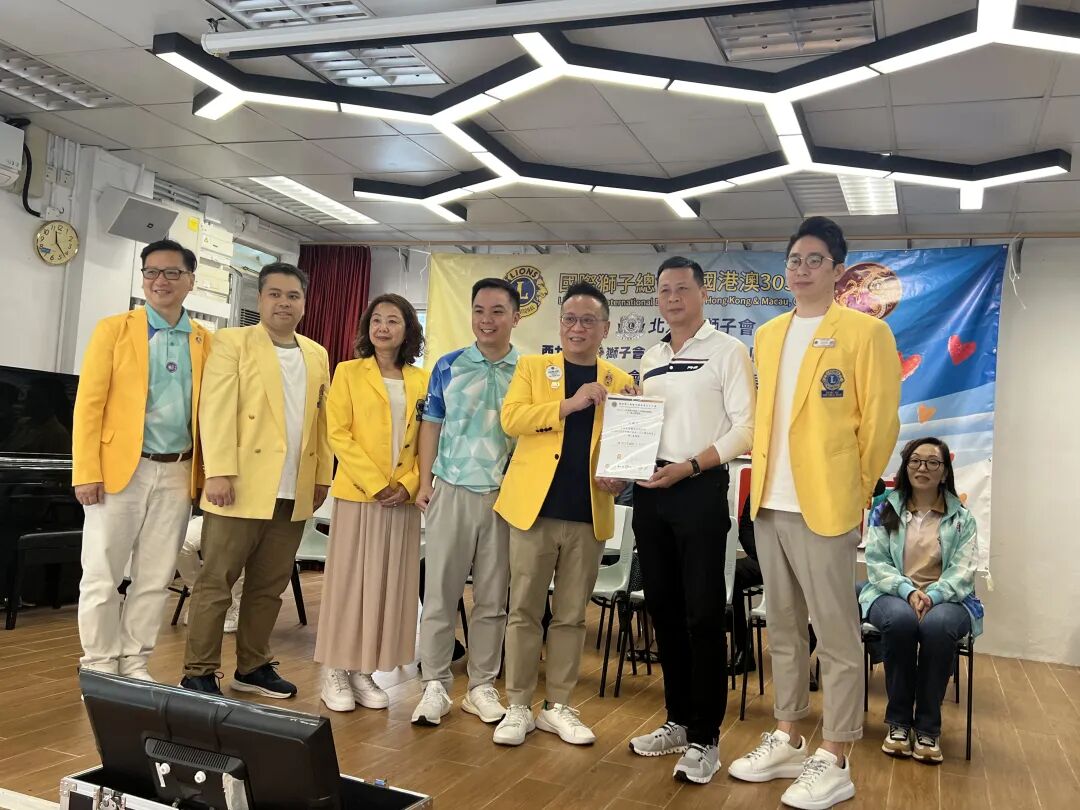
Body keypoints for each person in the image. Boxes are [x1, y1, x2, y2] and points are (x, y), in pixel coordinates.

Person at [728, 216, 901, 810]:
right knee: (781, 626)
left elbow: (880, 422)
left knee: (835, 632)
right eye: (794, 259)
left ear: (838, 270)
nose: (801, 269)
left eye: (814, 260)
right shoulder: (769, 333)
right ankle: (789, 735)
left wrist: (856, 490)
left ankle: (837, 753)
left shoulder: (865, 332)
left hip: (825, 504)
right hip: (769, 502)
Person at [625, 257, 754, 785]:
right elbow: (642, 426)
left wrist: (691, 466)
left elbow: (746, 429)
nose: (673, 298)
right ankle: (678, 721)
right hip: (650, 490)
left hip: (699, 487)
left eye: (682, 288)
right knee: (663, 610)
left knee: (702, 615)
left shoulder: (728, 351)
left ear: (702, 293)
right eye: (664, 290)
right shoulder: (651, 357)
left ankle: (706, 738)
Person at [180, 262, 332, 699]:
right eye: (275, 294)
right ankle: (198, 671)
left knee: (269, 585)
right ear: (260, 299)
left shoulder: (317, 353)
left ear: (304, 303)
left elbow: (322, 421)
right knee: (217, 581)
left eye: (293, 296)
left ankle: (253, 666)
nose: (284, 303)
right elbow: (215, 409)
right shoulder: (233, 342)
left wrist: (322, 476)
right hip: (240, 483)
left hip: (294, 488)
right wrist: (218, 472)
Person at [491, 282, 632, 747]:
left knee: (571, 616)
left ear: (605, 328)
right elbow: (512, 419)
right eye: (570, 319)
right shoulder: (534, 368)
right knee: (524, 611)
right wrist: (571, 404)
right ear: (560, 325)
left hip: (589, 513)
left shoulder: (621, 381)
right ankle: (517, 704)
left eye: (588, 320)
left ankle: (558, 706)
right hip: (534, 511)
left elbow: (629, 447)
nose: (577, 328)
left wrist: (622, 476)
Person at [72, 239, 212, 680]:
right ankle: (98, 665)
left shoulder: (206, 340)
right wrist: (86, 471)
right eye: (151, 271)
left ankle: (134, 662)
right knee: (102, 574)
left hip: (178, 470)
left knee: (154, 576)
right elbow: (88, 406)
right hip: (120, 471)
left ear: (190, 281)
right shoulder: (114, 329)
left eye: (172, 272)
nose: (160, 281)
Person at [411, 278, 521, 726]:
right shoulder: (448, 365)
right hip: (451, 488)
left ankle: (481, 686)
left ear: (515, 317)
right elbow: (431, 424)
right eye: (479, 310)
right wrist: (425, 481)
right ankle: (434, 684)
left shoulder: (529, 371)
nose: (486, 320)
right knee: (440, 593)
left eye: (497, 311)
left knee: (493, 599)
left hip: (505, 498)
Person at [314, 294, 429, 712]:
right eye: (376, 319)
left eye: (393, 320)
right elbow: (338, 433)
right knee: (349, 583)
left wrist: (410, 484)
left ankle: (364, 669)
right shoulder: (347, 372)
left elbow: (429, 440)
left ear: (407, 329)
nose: (383, 327)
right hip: (360, 495)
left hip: (402, 500)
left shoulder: (422, 379)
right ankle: (335, 668)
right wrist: (377, 484)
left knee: (386, 586)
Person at [859, 438, 982, 764]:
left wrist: (933, 596)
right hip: (892, 594)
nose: (922, 468)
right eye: (915, 461)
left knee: (938, 627)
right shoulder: (885, 510)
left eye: (932, 462)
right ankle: (899, 723)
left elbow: (963, 571)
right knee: (900, 621)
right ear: (906, 466)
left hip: (947, 599)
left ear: (945, 472)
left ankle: (928, 728)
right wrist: (909, 592)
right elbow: (877, 564)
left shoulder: (962, 518)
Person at [175, 511, 243, 633]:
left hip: (250, 518)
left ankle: (235, 605)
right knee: (180, 541)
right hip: (214, 515)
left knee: (241, 543)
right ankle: (200, 596)